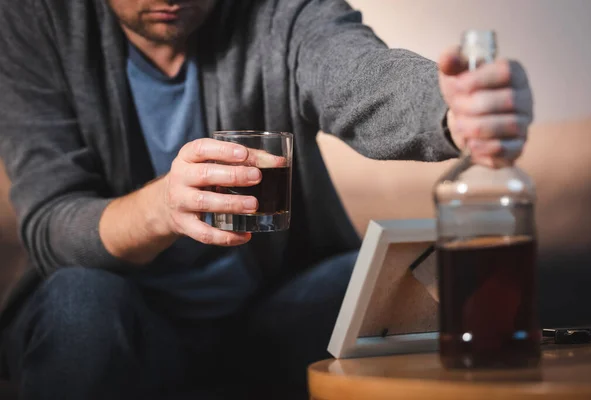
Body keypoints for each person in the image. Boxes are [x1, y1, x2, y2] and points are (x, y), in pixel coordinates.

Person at [0, 0, 533, 398]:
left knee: (381, 279)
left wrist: (451, 107)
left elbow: (355, 73)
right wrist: (163, 206)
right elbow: (52, 223)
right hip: (125, 326)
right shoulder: (32, 20)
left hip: (263, 325)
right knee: (79, 299)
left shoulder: (279, 11)